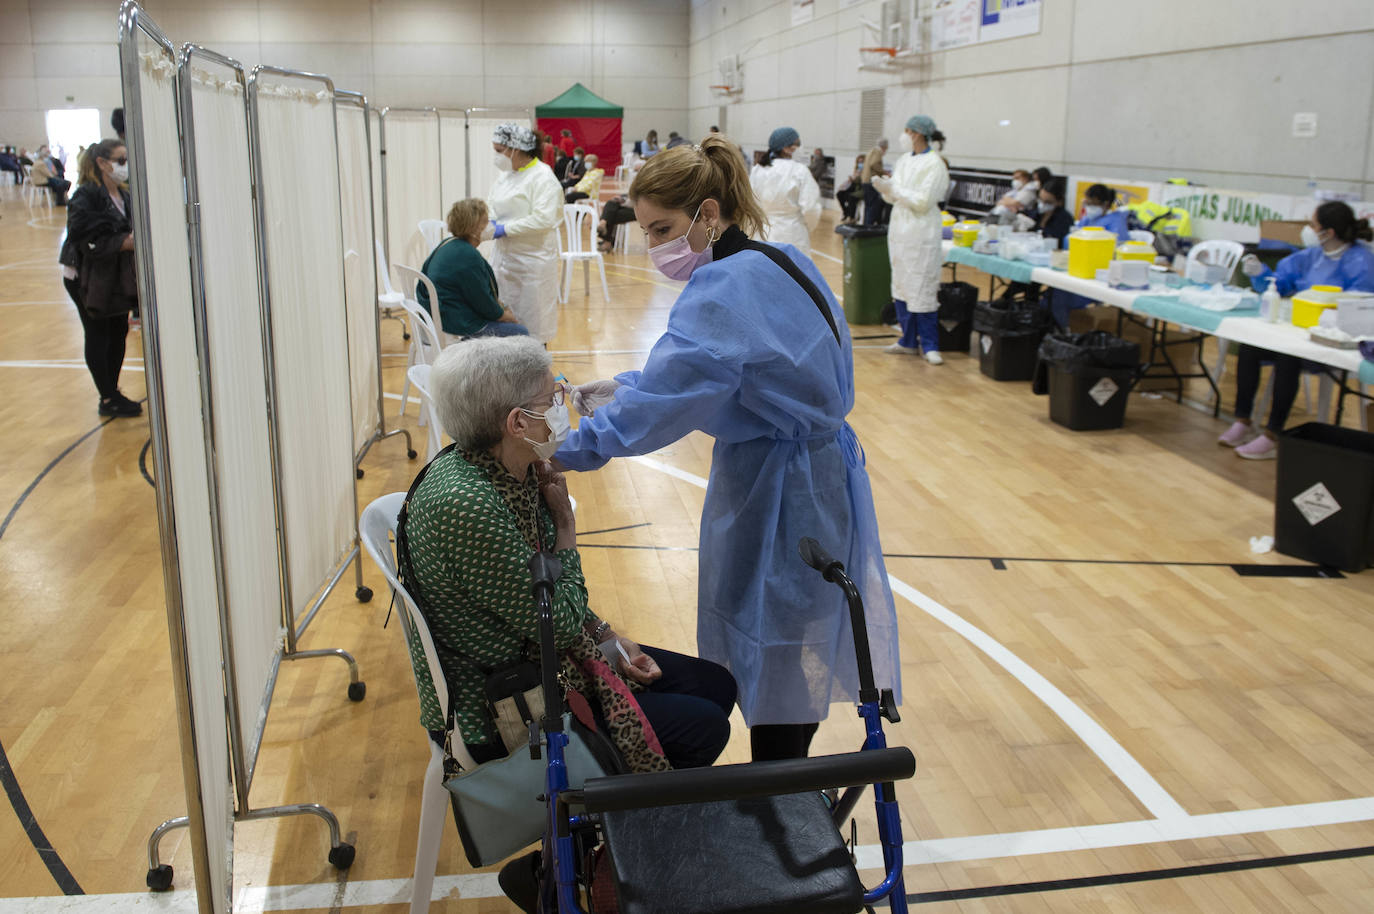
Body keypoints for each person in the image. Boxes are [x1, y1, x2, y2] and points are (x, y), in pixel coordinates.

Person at [554, 135, 901, 763]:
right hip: (817, 472)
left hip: (782, 486)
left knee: (775, 639)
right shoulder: (781, 257)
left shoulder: (721, 290)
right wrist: (620, 388)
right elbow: (729, 377)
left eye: (663, 229)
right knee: (791, 636)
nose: (655, 246)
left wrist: (566, 450)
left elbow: (673, 398)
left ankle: (780, 794)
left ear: (709, 213)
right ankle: (784, 781)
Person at [405, 336, 738, 910]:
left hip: (535, 657)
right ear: (517, 420)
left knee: (716, 686)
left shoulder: (504, 468)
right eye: (551, 395)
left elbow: (558, 611)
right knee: (706, 728)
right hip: (501, 704)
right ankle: (578, 863)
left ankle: (599, 841)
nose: (563, 402)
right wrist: (566, 529)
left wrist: (609, 639)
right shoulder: (467, 503)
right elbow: (554, 617)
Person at [1218, 201, 1374, 459]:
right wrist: (1260, 274)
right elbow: (1279, 285)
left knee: (1287, 356)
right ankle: (1243, 421)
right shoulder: (1310, 256)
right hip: (1297, 329)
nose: (1309, 230)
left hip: (1332, 340)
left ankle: (1273, 435)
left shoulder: (1362, 262)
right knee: (1250, 347)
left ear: (1329, 232)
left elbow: (1361, 308)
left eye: (1313, 225)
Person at [61, 138, 140, 417]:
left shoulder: (125, 195)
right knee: (98, 332)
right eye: (120, 160)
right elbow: (82, 236)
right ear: (102, 163)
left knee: (119, 330)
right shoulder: (87, 195)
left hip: (112, 275)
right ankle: (107, 397)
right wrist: (122, 243)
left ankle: (112, 391)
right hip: (84, 276)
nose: (124, 166)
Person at [873, 115, 950, 364]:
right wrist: (886, 189)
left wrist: (894, 190)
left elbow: (922, 201)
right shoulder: (904, 160)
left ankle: (929, 345)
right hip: (900, 230)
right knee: (902, 285)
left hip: (921, 231)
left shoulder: (935, 164)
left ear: (917, 133)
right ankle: (907, 340)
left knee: (922, 286)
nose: (903, 135)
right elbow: (896, 194)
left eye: (907, 130)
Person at [486, 122, 563, 343]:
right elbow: (492, 201)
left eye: (500, 151)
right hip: (504, 261)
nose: (496, 156)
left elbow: (544, 218)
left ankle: (536, 374)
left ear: (516, 149)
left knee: (533, 327)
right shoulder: (507, 175)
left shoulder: (543, 177)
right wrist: (490, 221)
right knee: (507, 324)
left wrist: (505, 229)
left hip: (532, 265)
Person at [418, 199, 528, 338]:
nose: (490, 225)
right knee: (521, 333)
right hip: (456, 323)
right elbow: (484, 304)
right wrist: (505, 316)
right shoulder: (467, 255)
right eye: (485, 221)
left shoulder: (447, 244)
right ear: (473, 227)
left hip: (438, 316)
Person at [749, 126, 821, 256]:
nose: (799, 147)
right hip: (792, 234)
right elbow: (811, 208)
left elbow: (749, 203)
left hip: (762, 234)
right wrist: (806, 227)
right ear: (787, 148)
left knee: (766, 273)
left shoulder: (757, 170)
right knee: (793, 273)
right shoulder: (799, 171)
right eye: (797, 143)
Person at [861, 138, 890, 226]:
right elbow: (874, 164)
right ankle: (869, 226)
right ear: (884, 147)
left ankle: (866, 225)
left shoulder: (871, 151)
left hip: (865, 180)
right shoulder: (877, 152)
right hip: (871, 182)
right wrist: (885, 172)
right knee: (872, 206)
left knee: (868, 205)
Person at [835, 155, 865, 224]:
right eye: (859, 162)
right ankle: (845, 212)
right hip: (852, 186)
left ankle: (851, 217)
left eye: (862, 162)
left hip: (859, 188)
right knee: (839, 194)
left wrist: (856, 178)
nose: (860, 163)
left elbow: (860, 181)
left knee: (850, 197)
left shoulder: (865, 171)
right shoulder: (856, 170)